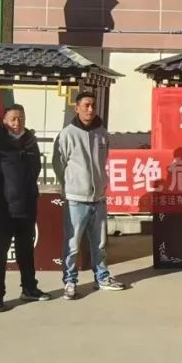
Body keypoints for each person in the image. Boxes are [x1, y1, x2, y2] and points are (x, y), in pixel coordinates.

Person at [0, 104, 52, 313]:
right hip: (4, 210)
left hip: (26, 207)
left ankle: (29, 288)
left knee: (26, 251)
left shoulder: (30, 144)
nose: (17, 123)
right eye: (13, 119)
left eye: (21, 118)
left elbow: (35, 171)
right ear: (4, 121)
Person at [53, 91, 125, 300]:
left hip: (99, 198)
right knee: (72, 244)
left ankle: (102, 277)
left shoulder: (102, 133)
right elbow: (58, 163)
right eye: (85, 105)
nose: (90, 109)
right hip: (76, 199)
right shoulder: (67, 134)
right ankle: (70, 282)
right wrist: (69, 185)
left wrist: (101, 184)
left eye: (93, 105)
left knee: (99, 243)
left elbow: (103, 160)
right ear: (77, 108)